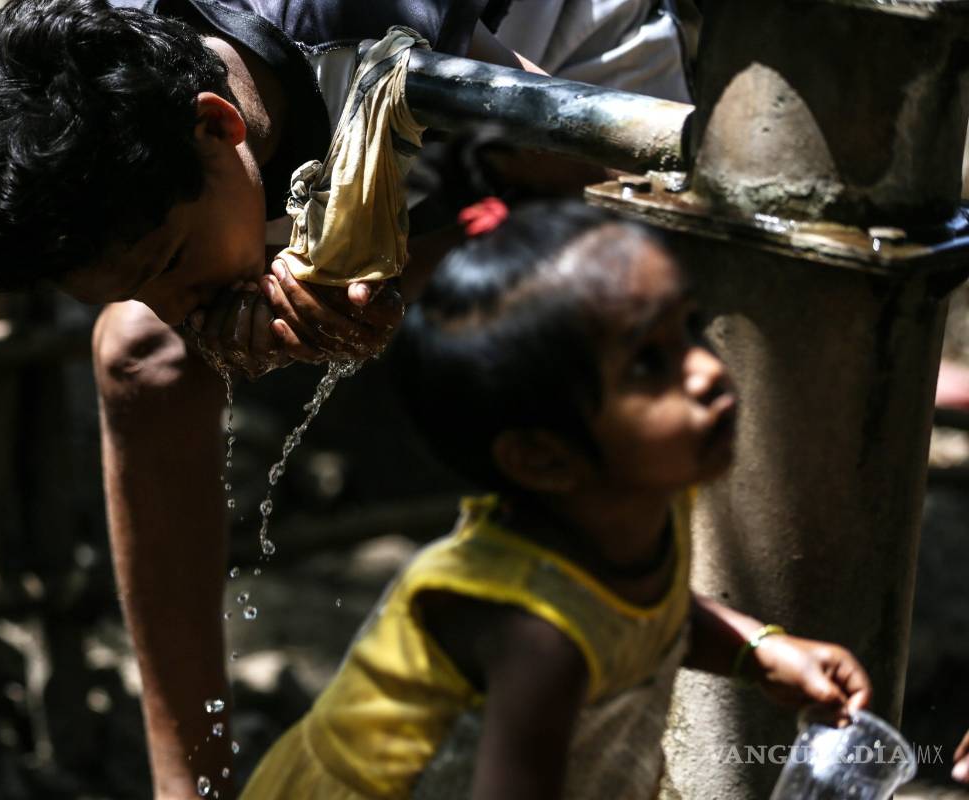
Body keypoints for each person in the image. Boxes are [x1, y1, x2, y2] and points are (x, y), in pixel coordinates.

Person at [0, 0, 557, 796]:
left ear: (217, 127)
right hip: (469, 155)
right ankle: (190, 785)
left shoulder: (366, 38)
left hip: (628, 102)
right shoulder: (118, 62)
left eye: (169, 262)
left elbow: (578, 163)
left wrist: (392, 277)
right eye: (137, 287)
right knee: (140, 351)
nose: (175, 306)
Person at [239, 198, 873, 799]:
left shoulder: (639, 503)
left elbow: (649, 611)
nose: (706, 371)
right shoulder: (536, 640)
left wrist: (755, 651)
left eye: (688, 330)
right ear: (544, 457)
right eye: (649, 365)